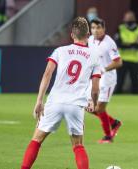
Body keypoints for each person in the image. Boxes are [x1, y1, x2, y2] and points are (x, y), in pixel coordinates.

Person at [20, 17, 101, 169]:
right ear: (88, 34)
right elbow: (95, 87)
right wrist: (94, 103)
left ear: (72, 35)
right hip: (76, 105)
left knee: (36, 139)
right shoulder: (94, 56)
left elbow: (47, 74)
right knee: (78, 145)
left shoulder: (60, 51)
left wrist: (39, 101)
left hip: (55, 102)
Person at [87, 18, 123, 143]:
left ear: (104, 28)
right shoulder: (90, 40)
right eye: (93, 28)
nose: (95, 30)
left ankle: (108, 136)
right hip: (94, 78)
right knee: (87, 106)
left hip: (107, 79)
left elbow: (118, 62)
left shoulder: (109, 43)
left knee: (100, 108)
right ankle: (114, 122)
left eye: (98, 28)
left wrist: (104, 69)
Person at [115, 10, 138, 94]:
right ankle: (117, 96)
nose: (129, 19)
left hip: (135, 60)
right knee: (120, 81)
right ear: (124, 19)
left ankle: (136, 98)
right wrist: (134, 43)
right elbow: (118, 44)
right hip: (122, 59)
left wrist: (126, 44)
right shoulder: (120, 28)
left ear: (134, 18)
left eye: (131, 17)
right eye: (127, 18)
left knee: (135, 81)